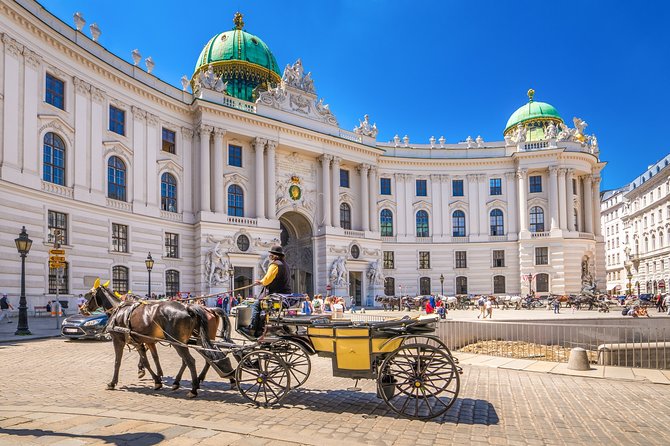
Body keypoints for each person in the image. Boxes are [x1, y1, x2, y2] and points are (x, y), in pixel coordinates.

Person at [247, 245, 292, 337]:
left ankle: (253, 329)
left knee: (256, 305)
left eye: (270, 255)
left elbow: (267, 279)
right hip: (285, 294)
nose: (269, 257)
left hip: (276, 295)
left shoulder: (275, 264)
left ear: (274, 256)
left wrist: (261, 282)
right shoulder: (286, 265)